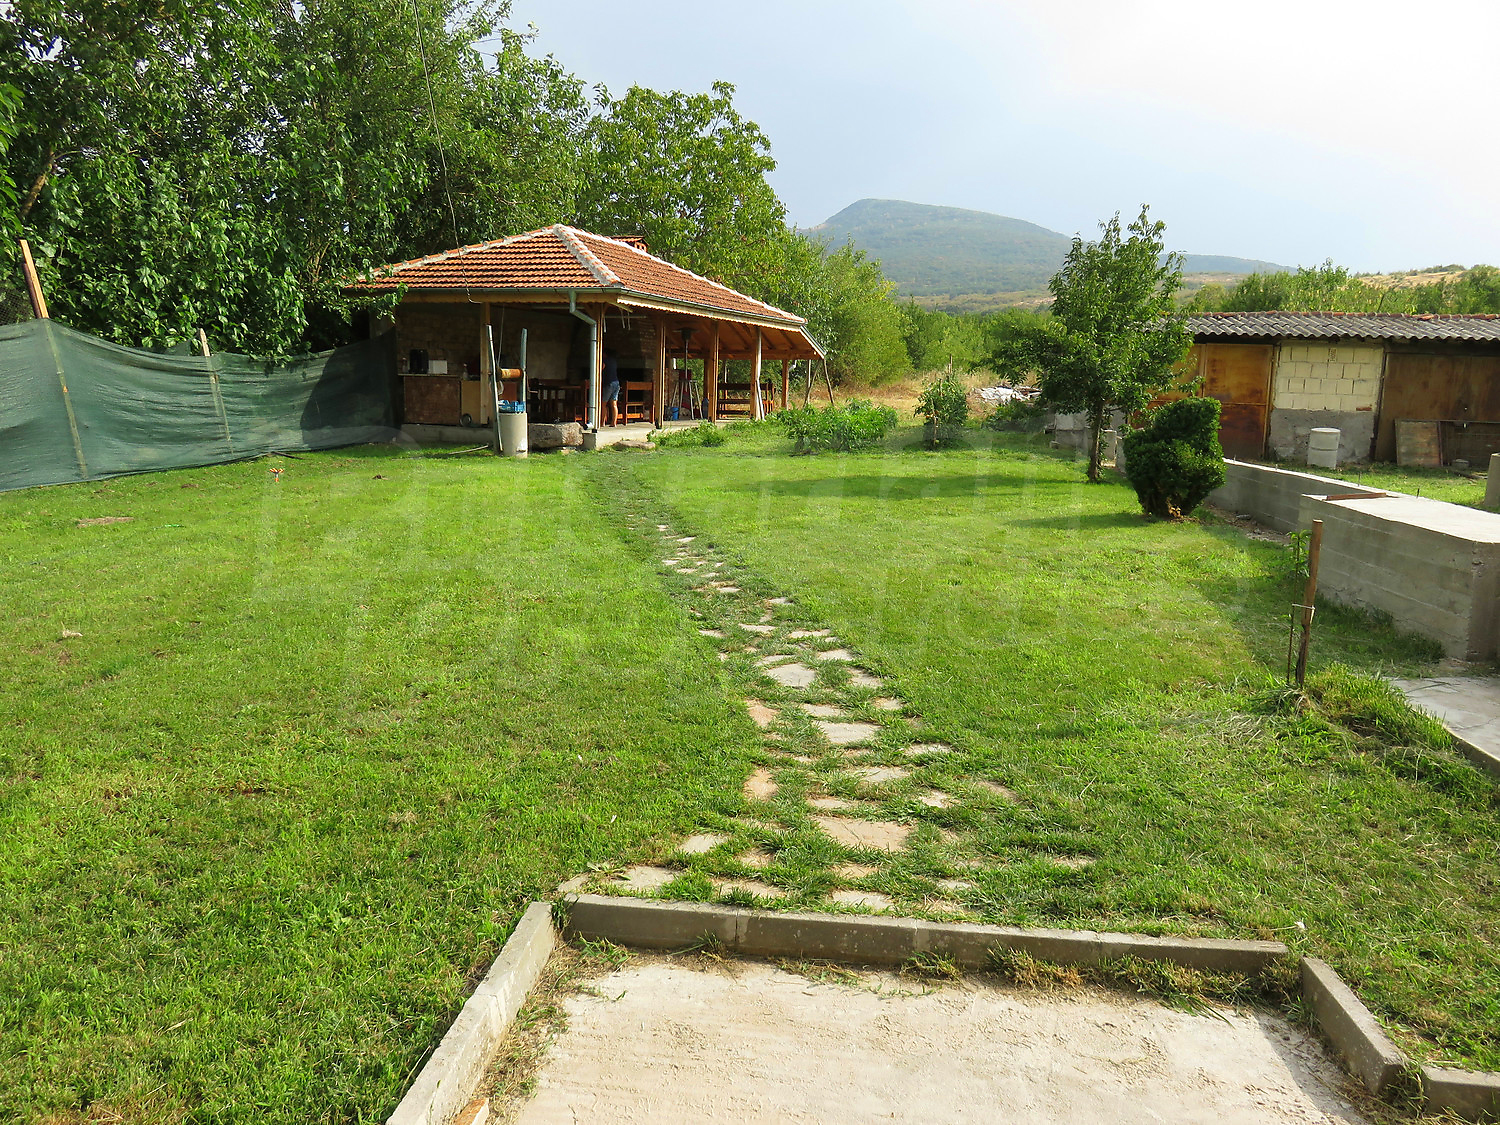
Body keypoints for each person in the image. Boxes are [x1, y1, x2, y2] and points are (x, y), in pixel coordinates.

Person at [601, 349, 620, 427]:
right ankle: (614, 422)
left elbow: (601, 369)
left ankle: (602, 422)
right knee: (614, 404)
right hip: (616, 383)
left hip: (608, 383)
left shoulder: (605, 360)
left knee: (603, 404)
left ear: (605, 354)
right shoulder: (614, 361)